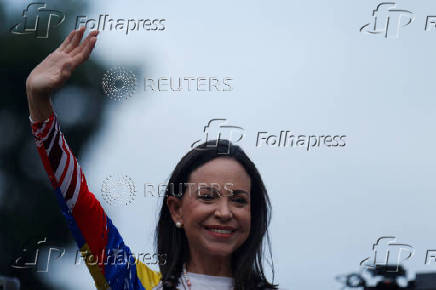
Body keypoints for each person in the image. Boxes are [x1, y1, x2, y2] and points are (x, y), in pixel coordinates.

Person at [26, 27, 281, 290]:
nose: (225, 212)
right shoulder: (135, 284)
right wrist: (38, 101)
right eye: (207, 196)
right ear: (176, 209)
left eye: (239, 200)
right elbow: (77, 203)